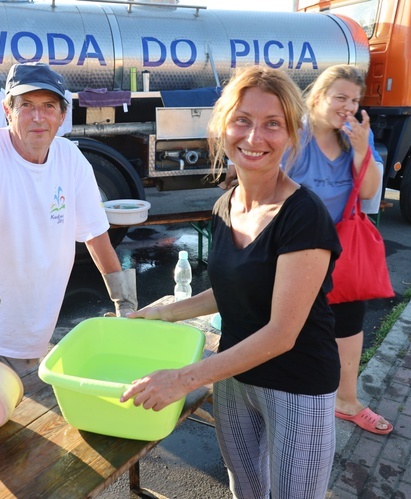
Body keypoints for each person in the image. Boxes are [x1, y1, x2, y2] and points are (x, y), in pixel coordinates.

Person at [122, 65, 342, 499]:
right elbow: (231, 291)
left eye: (272, 124)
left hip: (297, 384)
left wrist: (184, 379)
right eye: (242, 120)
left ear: (291, 136)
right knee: (245, 488)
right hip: (235, 378)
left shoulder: (303, 214)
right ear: (223, 127)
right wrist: (161, 313)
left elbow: (282, 334)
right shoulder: (225, 206)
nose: (254, 137)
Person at [0, 62, 138, 385]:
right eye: (26, 106)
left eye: (48, 106)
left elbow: (96, 235)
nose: (38, 117)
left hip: (29, 330)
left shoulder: (72, 160)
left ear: (62, 115)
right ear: (7, 110)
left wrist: (125, 302)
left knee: (26, 423)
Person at [284, 64, 393, 435]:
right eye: (340, 97)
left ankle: (346, 400)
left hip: (342, 250)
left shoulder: (357, 137)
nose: (349, 106)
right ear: (318, 97)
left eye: (355, 100)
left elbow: (367, 193)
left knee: (348, 325)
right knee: (289, 323)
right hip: (294, 249)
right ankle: (287, 399)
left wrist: (363, 149)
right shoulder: (293, 136)